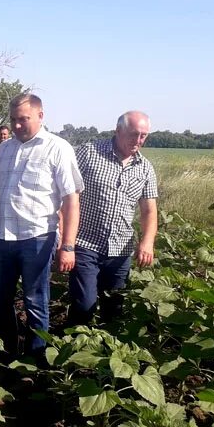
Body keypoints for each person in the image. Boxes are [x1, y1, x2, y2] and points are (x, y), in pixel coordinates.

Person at [0, 93, 83, 364]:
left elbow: (71, 199)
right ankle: (7, 353)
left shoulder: (58, 148)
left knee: (35, 301)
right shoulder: (3, 150)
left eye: (24, 120)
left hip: (38, 239)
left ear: (41, 116)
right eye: (13, 120)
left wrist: (68, 246)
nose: (17, 126)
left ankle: (35, 361)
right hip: (3, 238)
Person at [69, 111, 158, 326]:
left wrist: (147, 242)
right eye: (134, 134)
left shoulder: (145, 168)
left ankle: (105, 354)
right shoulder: (89, 153)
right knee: (84, 305)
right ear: (117, 131)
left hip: (120, 251)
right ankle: (70, 350)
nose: (138, 141)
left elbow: (149, 211)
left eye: (143, 136)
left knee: (114, 310)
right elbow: (66, 193)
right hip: (85, 244)